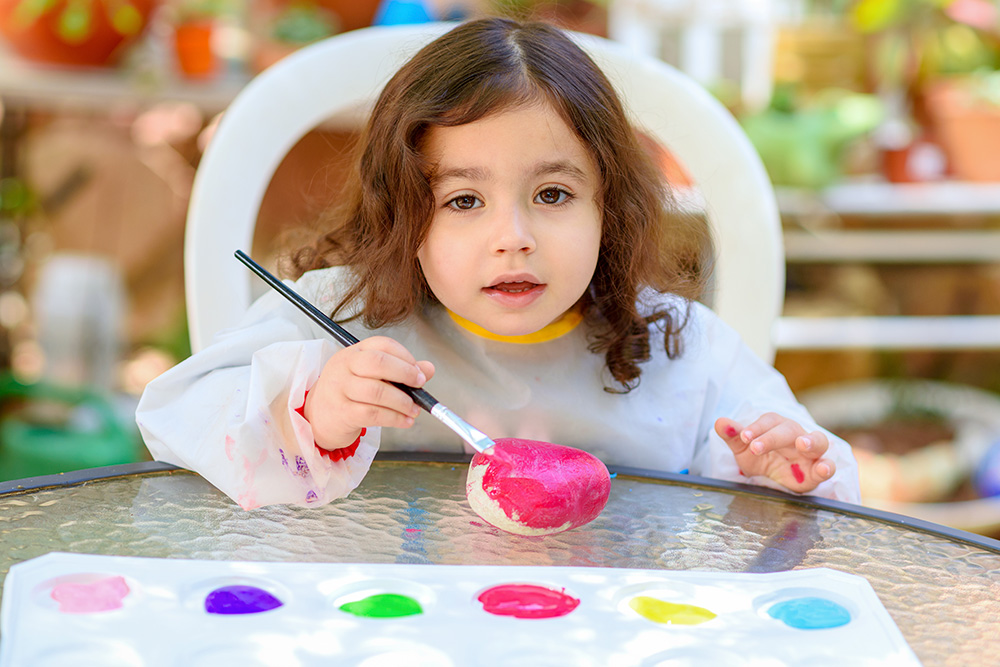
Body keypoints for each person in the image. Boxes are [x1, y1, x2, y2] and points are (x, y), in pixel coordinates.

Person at [136, 17, 860, 510]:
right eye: (462, 201)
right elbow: (176, 417)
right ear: (402, 212)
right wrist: (316, 412)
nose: (512, 236)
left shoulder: (681, 346)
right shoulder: (339, 317)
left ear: (610, 205)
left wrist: (782, 475)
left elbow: (811, 489)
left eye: (552, 193)